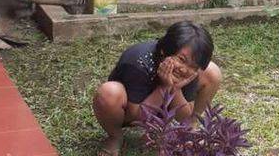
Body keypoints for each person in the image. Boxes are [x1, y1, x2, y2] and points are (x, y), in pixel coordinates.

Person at [93, 21, 222, 156]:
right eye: (181, 59)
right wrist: (164, 87)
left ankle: (189, 129)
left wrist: (175, 89)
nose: (184, 69)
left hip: (164, 106)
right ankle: (115, 136)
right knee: (108, 93)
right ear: (164, 51)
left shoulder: (190, 71)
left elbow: (184, 116)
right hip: (128, 110)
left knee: (212, 72)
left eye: (193, 66)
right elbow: (135, 118)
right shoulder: (138, 62)